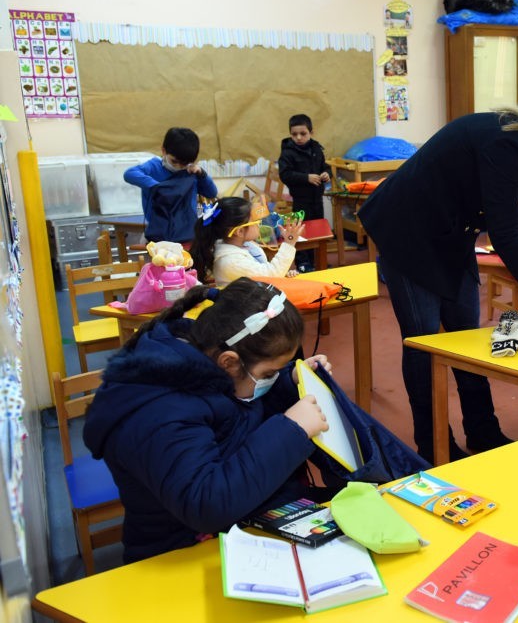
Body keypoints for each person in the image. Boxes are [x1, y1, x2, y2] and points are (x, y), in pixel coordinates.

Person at [358, 90, 518, 464]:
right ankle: (434, 442)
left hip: (451, 233)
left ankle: (483, 430)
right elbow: (504, 236)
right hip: (408, 233)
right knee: (424, 343)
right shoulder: (504, 143)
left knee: (467, 338)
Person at [82, 278, 333, 563]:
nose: (269, 380)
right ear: (229, 362)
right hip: (178, 554)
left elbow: (237, 416)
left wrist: (288, 382)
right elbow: (206, 504)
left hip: (232, 528)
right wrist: (292, 431)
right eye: (267, 374)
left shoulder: (206, 353)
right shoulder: (159, 411)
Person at [124, 127, 218, 244]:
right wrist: (156, 187)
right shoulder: (153, 167)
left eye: (184, 163)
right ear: (164, 151)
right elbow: (129, 174)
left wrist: (202, 174)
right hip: (157, 231)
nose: (179, 167)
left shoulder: (191, 171)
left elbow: (212, 193)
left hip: (186, 232)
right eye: (174, 161)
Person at [190, 196, 304, 285]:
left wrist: (283, 273)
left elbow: (263, 272)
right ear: (239, 232)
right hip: (244, 311)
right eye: (255, 221)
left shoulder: (245, 244)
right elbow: (271, 275)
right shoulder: (230, 262)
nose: (260, 224)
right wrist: (289, 243)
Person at [278, 113, 330, 272]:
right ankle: (302, 263)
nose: (298, 137)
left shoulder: (316, 148)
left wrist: (327, 174)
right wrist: (305, 178)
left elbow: (324, 166)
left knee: (318, 230)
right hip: (301, 199)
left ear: (311, 133)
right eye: (294, 134)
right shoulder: (287, 152)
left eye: (303, 133)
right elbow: (285, 174)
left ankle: (317, 261)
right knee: (301, 231)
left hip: (317, 198)